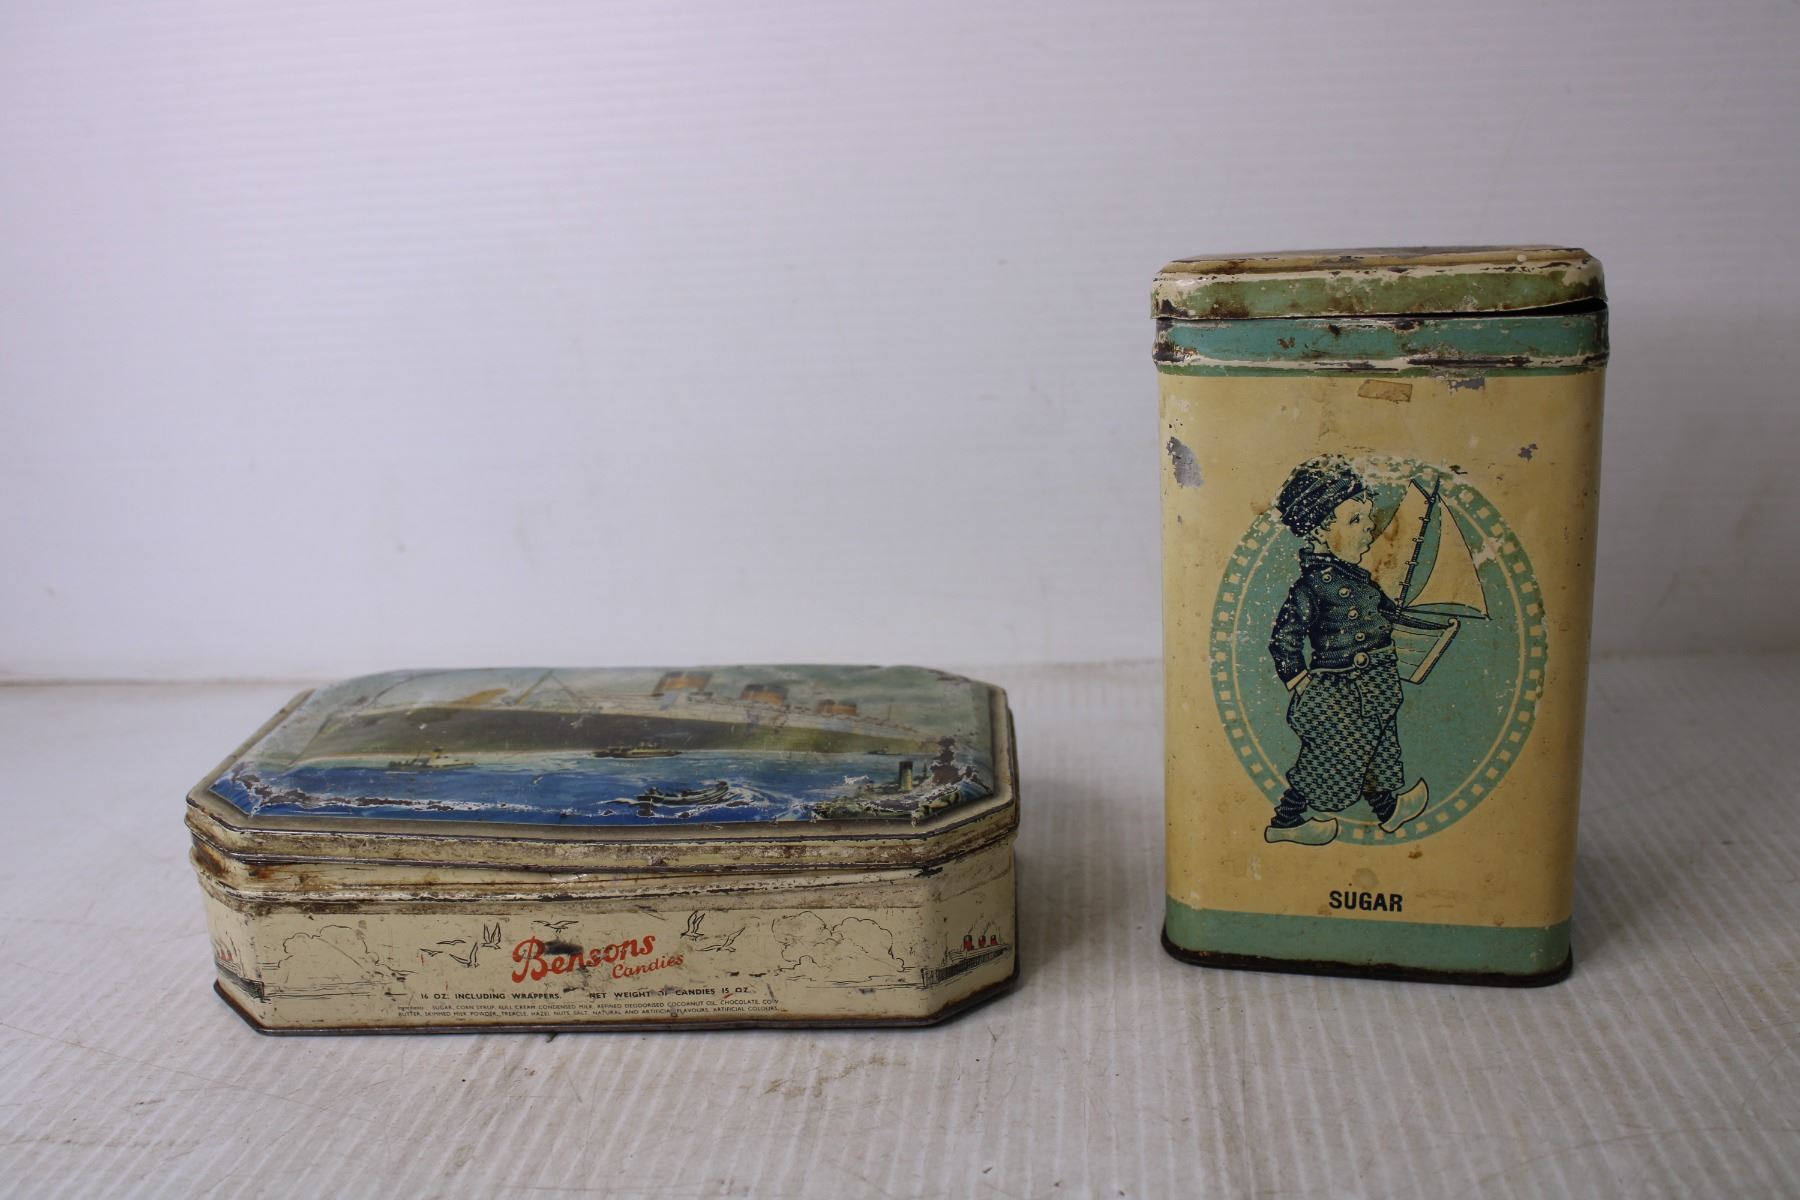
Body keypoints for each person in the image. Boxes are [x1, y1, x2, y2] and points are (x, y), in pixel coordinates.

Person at [1265, 457, 1434, 846]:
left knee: (1377, 749)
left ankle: (1388, 809)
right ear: (1321, 531)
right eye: (1355, 520)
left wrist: (1420, 629)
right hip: (1340, 690)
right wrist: (1300, 682)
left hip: (1375, 682)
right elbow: (1284, 638)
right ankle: (1287, 821)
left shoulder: (1359, 580)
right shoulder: (1313, 586)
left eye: (1367, 518)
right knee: (1332, 758)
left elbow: (1385, 615)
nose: (1369, 527)